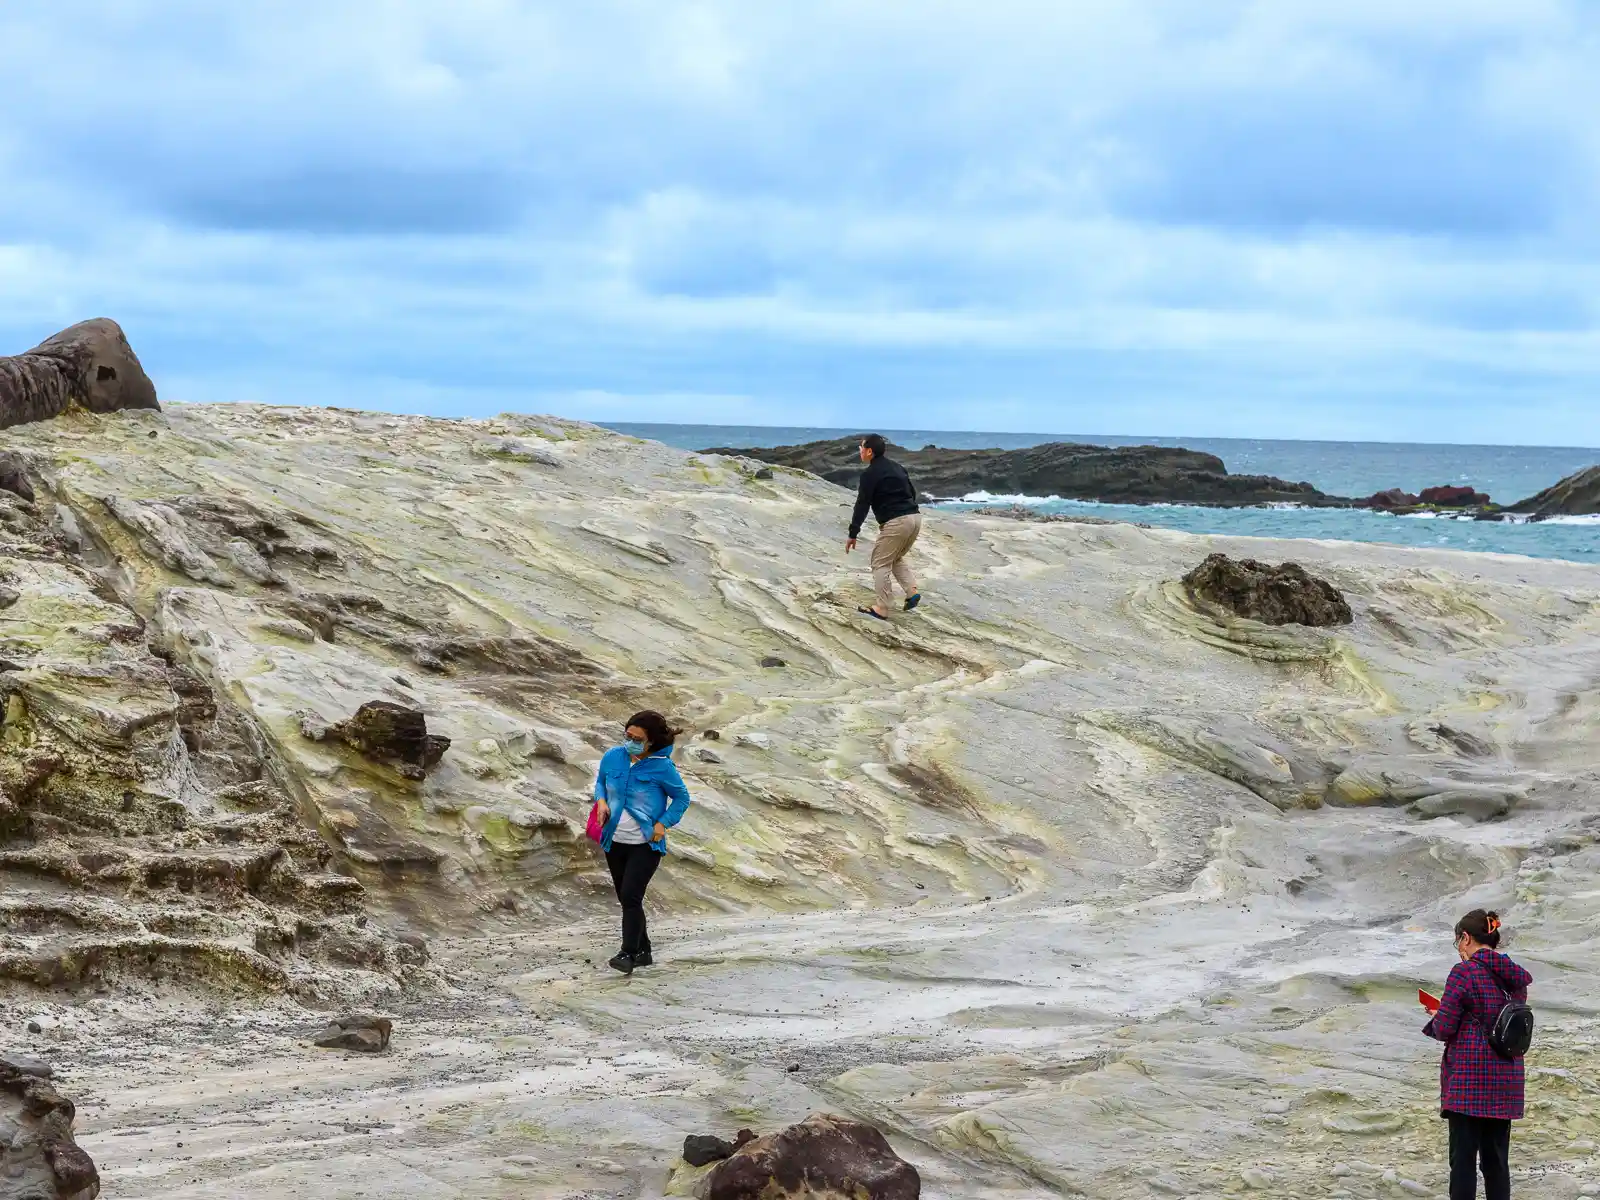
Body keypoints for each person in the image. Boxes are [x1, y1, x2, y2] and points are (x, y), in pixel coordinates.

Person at [1423, 909, 1533, 1200]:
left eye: (1458, 941)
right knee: (1496, 1163)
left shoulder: (1464, 972)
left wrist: (1436, 1016)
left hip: (1469, 1082)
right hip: (1506, 1080)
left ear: (1466, 938)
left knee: (1463, 1164)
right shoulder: (1515, 978)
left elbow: (1446, 1028)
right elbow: (1498, 1017)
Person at [591, 710, 693, 975]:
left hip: (645, 844)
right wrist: (601, 801)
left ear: (651, 742)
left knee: (631, 897)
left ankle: (628, 952)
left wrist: (663, 824)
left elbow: (682, 798)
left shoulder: (662, 767)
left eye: (637, 738)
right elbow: (601, 782)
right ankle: (644, 951)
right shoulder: (613, 756)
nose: (630, 741)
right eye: (627, 735)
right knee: (627, 900)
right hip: (614, 840)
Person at [846, 433, 923, 621]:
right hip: (915, 518)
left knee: (879, 563)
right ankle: (911, 591)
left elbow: (862, 505)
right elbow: (912, 492)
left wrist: (853, 532)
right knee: (894, 556)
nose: (859, 451)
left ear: (869, 451)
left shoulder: (869, 474)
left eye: (861, 448)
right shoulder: (898, 467)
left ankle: (882, 608)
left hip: (897, 522)